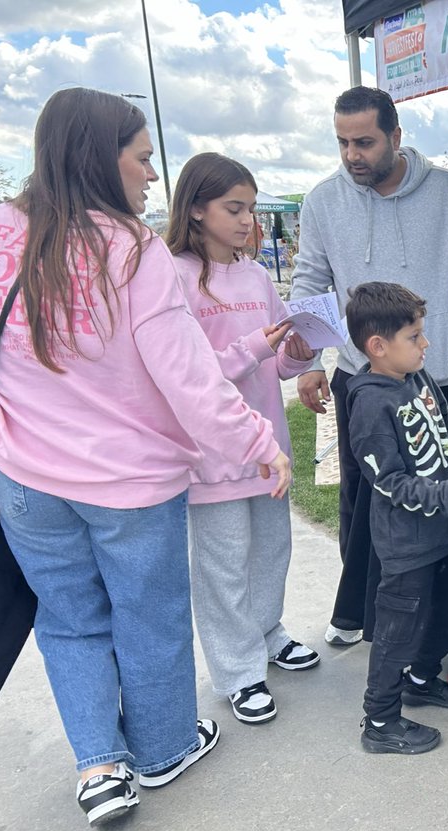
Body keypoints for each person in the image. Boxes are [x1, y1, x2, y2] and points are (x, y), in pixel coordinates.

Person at [0, 88, 290, 826]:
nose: (153, 174)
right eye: (143, 157)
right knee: (148, 618)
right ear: (103, 157)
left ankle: (98, 765)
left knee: (68, 621)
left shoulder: (2, 231)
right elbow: (187, 377)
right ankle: (161, 750)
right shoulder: (133, 249)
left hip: (26, 481)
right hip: (131, 484)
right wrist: (258, 443)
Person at [289, 86, 448, 647]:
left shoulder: (447, 192)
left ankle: (441, 626)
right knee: (362, 502)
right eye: (342, 142)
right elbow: (310, 282)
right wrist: (308, 360)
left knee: (438, 497)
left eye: (364, 142)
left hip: (437, 373)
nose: (351, 155)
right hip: (358, 378)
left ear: (395, 137)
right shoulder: (323, 200)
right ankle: (358, 614)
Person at [166, 152, 320, 726]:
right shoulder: (172, 276)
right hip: (212, 452)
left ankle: (267, 630)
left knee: (272, 549)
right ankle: (237, 671)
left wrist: (296, 354)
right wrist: (257, 346)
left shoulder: (255, 274)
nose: (247, 221)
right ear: (196, 209)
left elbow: (274, 361)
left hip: (268, 446)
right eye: (234, 209)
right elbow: (186, 372)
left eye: (251, 209)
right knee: (223, 565)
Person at [343, 282, 448, 754]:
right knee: (397, 632)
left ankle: (421, 678)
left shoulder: (417, 378)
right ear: (378, 346)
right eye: (414, 336)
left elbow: (444, 422)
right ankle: (380, 721)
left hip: (445, 534)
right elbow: (388, 482)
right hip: (407, 545)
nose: (426, 343)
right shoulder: (370, 404)